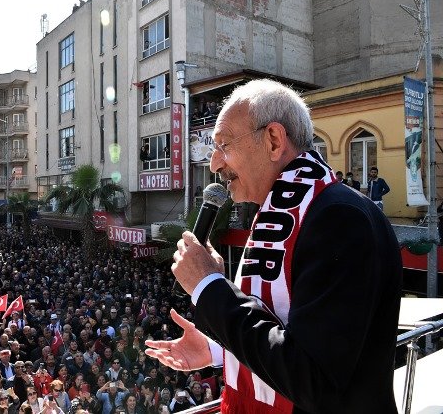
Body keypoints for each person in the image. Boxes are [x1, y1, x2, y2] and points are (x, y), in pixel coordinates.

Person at [145, 79, 402, 413]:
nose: (214, 164)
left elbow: (314, 378)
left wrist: (210, 288)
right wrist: (218, 349)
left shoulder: (337, 217)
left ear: (274, 140)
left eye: (224, 144)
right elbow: (292, 331)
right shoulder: (291, 211)